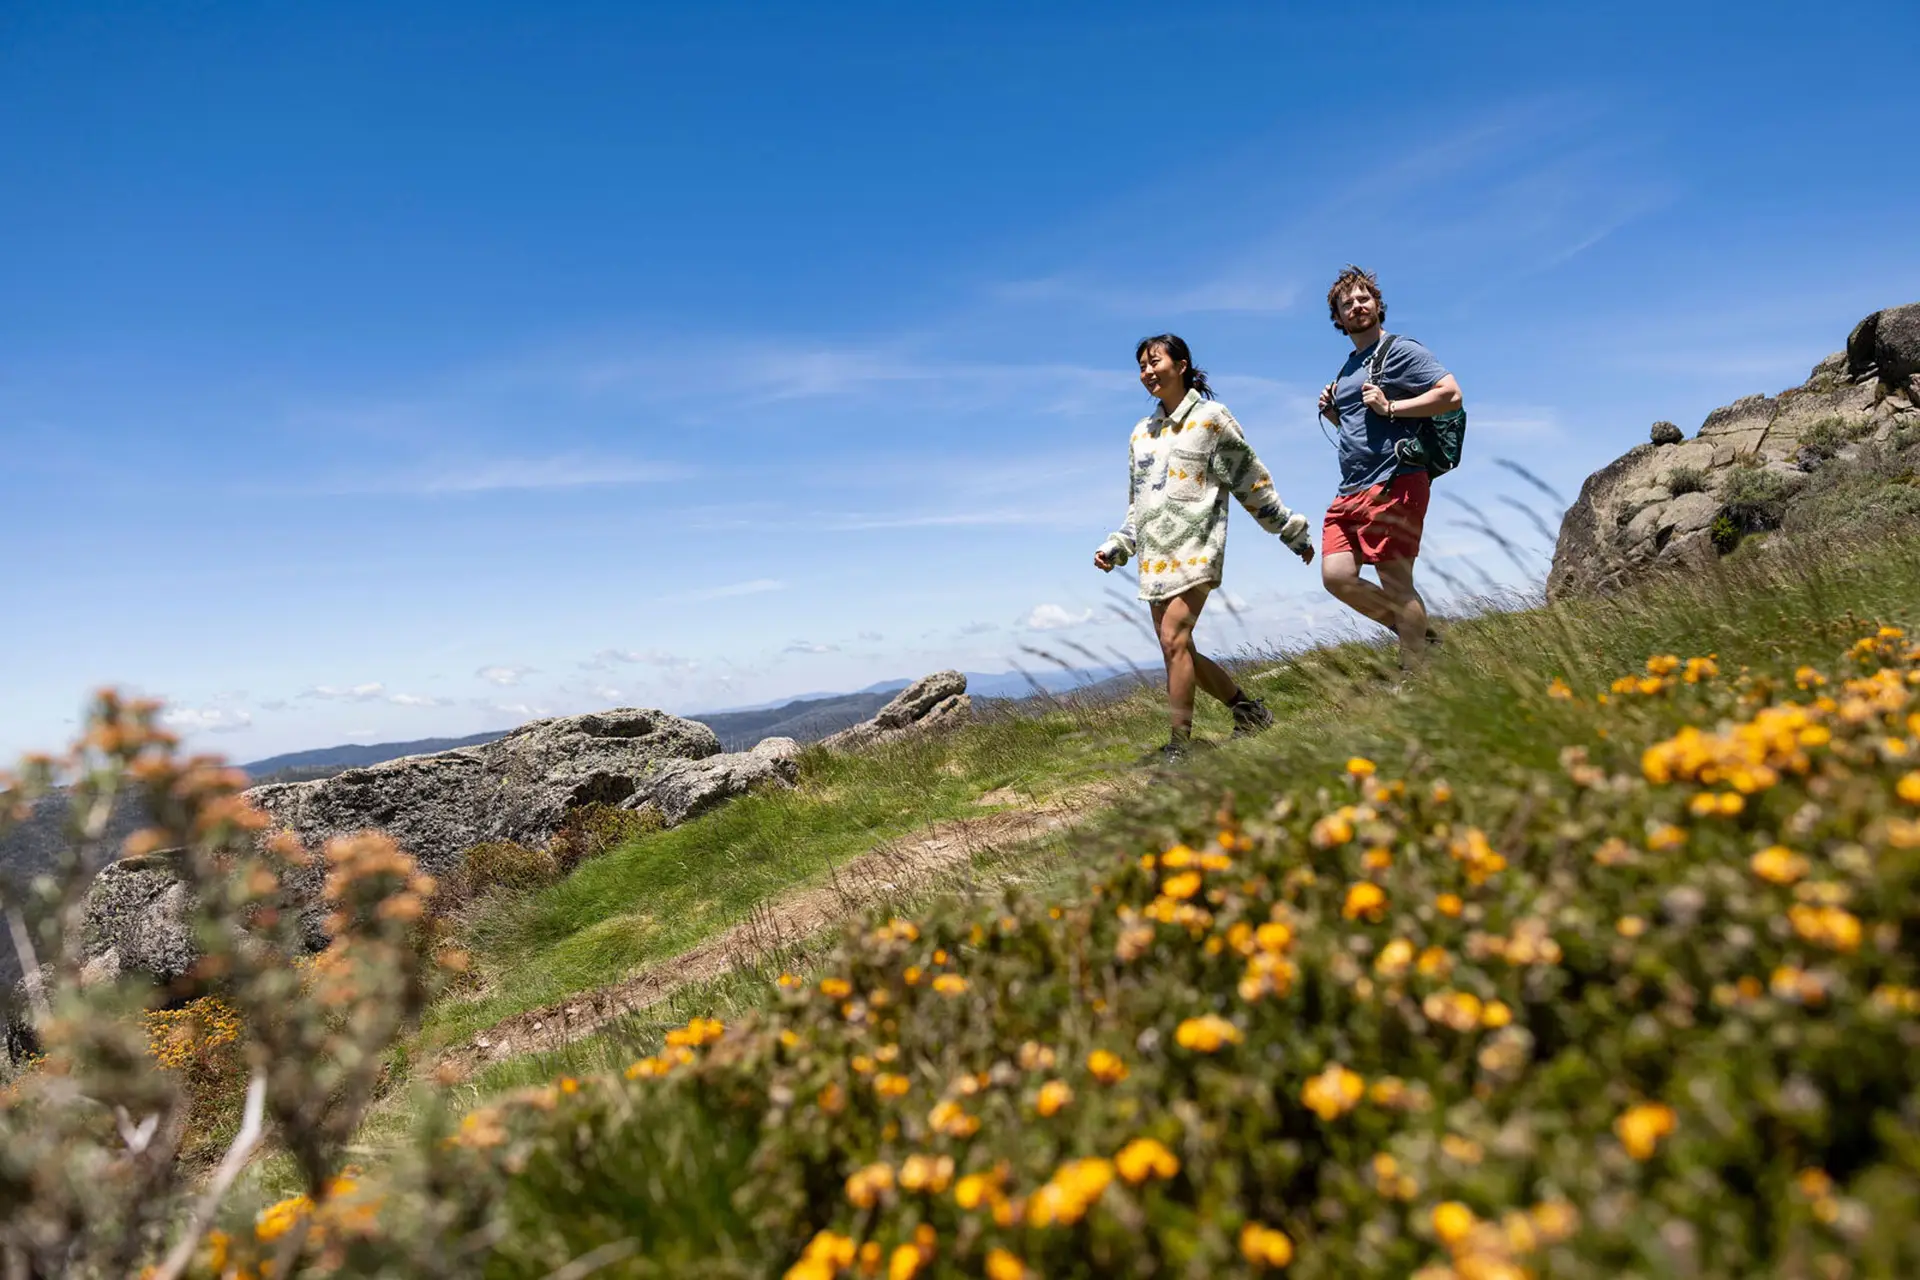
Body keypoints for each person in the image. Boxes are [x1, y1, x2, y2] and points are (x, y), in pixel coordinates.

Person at [1095, 334, 1315, 760]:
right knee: (1180, 650)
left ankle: (1179, 746)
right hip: (1155, 560)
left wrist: (1290, 531)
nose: (1147, 372)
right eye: (1141, 366)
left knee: (1174, 640)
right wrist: (1118, 546)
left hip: (1197, 551)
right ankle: (1250, 712)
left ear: (1181, 365)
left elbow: (1251, 481)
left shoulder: (1212, 419)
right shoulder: (1141, 434)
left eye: (1155, 362)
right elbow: (1138, 504)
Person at [1315, 266, 1462, 668]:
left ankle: (1415, 673)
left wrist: (1392, 405)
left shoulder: (1400, 350)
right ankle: (1420, 636)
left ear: (1378, 305)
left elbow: (1450, 394)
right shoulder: (1349, 367)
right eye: (1347, 303)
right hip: (1351, 489)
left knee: (1397, 583)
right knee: (1337, 576)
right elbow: (1362, 427)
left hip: (1395, 479)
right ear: (1338, 318)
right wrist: (1334, 414)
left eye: (1363, 298)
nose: (1357, 306)